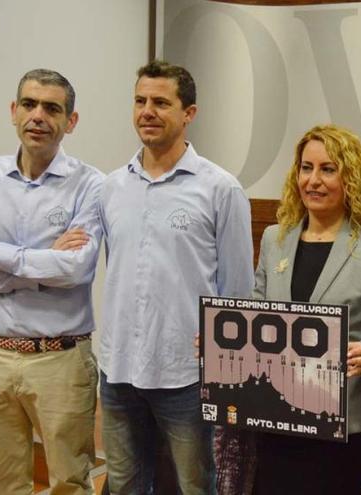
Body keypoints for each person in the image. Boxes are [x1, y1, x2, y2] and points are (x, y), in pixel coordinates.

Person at [214, 124, 361, 495]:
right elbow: (257, 317)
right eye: (306, 168)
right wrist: (219, 343)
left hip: (345, 424)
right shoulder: (276, 238)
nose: (313, 180)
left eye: (328, 169)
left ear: (350, 177)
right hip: (275, 416)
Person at [99, 60, 254, 494]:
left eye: (161, 102)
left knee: (195, 486)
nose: (147, 111)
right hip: (117, 368)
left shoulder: (220, 189)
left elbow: (237, 292)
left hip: (185, 374)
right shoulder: (111, 188)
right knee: (124, 484)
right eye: (140, 101)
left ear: (189, 113)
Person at [0, 69, 103, 494]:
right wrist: (40, 269)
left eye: (52, 108)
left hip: (59, 361)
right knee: (0, 483)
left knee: (69, 484)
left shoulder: (91, 185)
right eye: (29, 104)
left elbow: (76, 269)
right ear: (13, 111)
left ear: (70, 121)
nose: (38, 116)